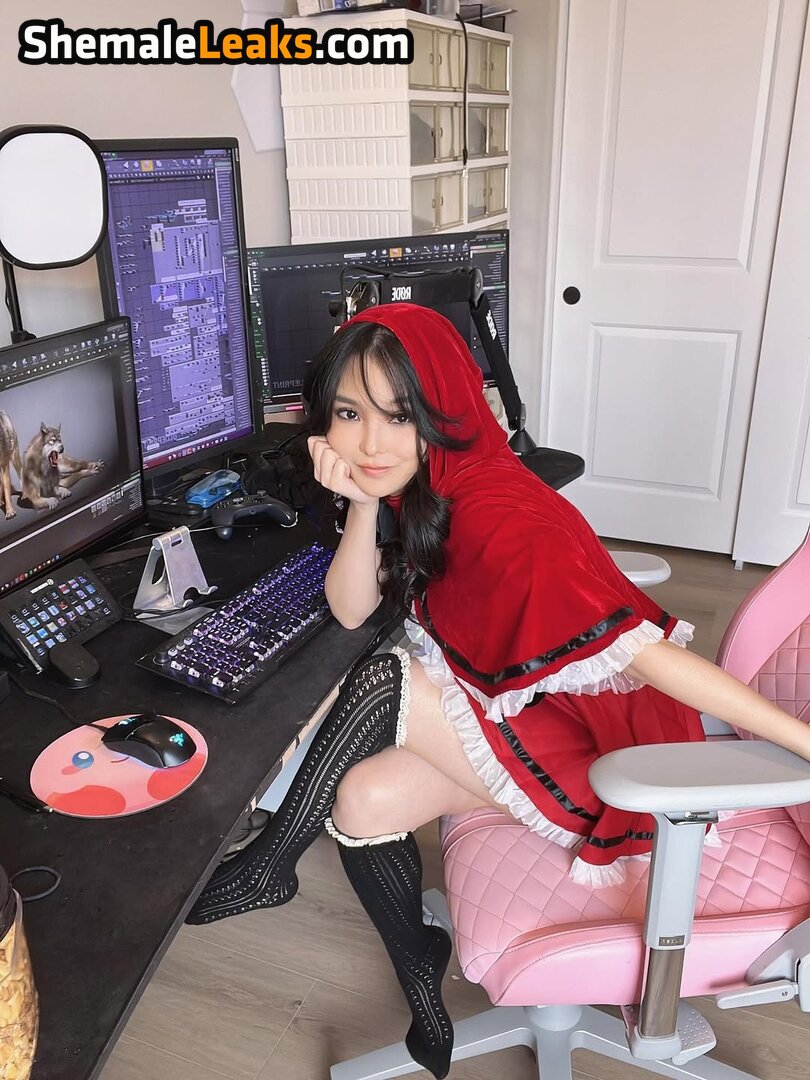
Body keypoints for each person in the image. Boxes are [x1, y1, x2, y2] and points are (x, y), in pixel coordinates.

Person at [187, 304, 810, 1079]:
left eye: (398, 415)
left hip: (612, 774)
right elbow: (351, 608)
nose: (370, 443)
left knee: (384, 676)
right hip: (537, 719)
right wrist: (363, 504)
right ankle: (422, 983)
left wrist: (802, 740)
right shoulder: (432, 485)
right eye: (348, 414)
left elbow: (651, 658)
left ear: (442, 410)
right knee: (362, 801)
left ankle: (271, 861)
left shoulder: (501, 516)